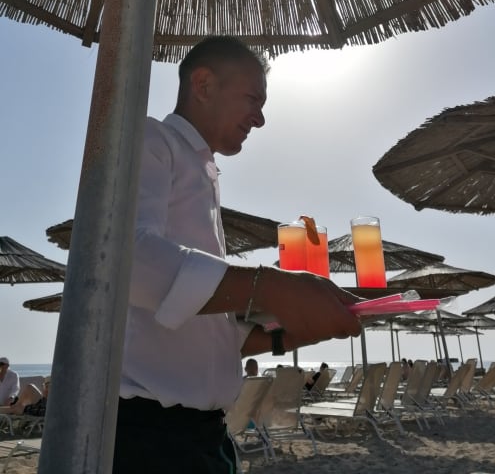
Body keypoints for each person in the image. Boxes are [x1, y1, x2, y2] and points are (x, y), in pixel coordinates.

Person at [113, 36, 361, 474]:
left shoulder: (204, 172)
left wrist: (293, 333)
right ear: (204, 85)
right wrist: (274, 287)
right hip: (150, 434)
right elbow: (128, 262)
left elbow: (202, 325)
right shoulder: (153, 140)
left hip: (206, 435)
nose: (260, 119)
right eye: (253, 100)